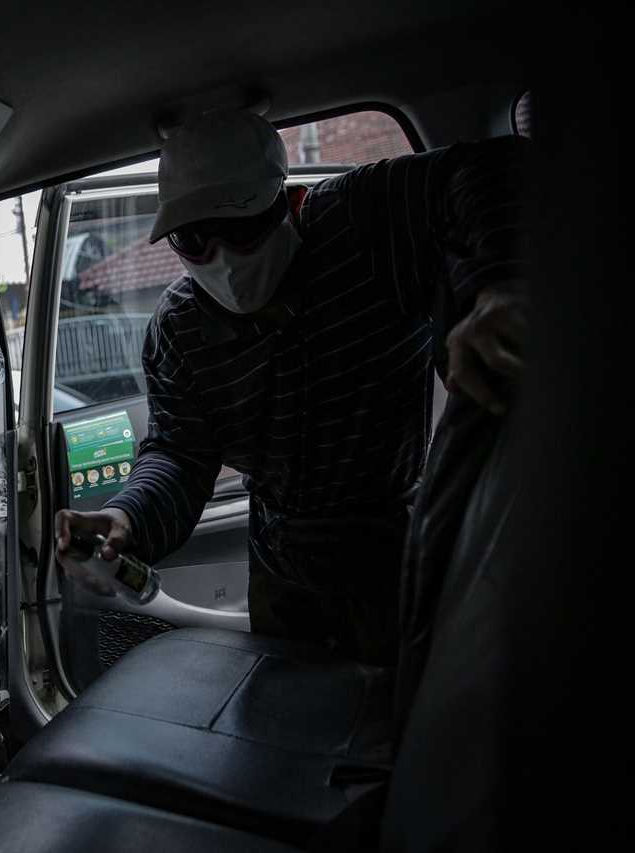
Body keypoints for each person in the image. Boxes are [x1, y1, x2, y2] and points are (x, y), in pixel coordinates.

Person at [55, 109, 528, 664]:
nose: (224, 260)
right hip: (279, 567)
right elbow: (181, 455)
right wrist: (126, 518)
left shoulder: (361, 228)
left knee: (397, 720)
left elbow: (492, 170)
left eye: (243, 230)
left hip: (391, 546)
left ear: (293, 204)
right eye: (193, 239)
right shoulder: (179, 331)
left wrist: (503, 284)